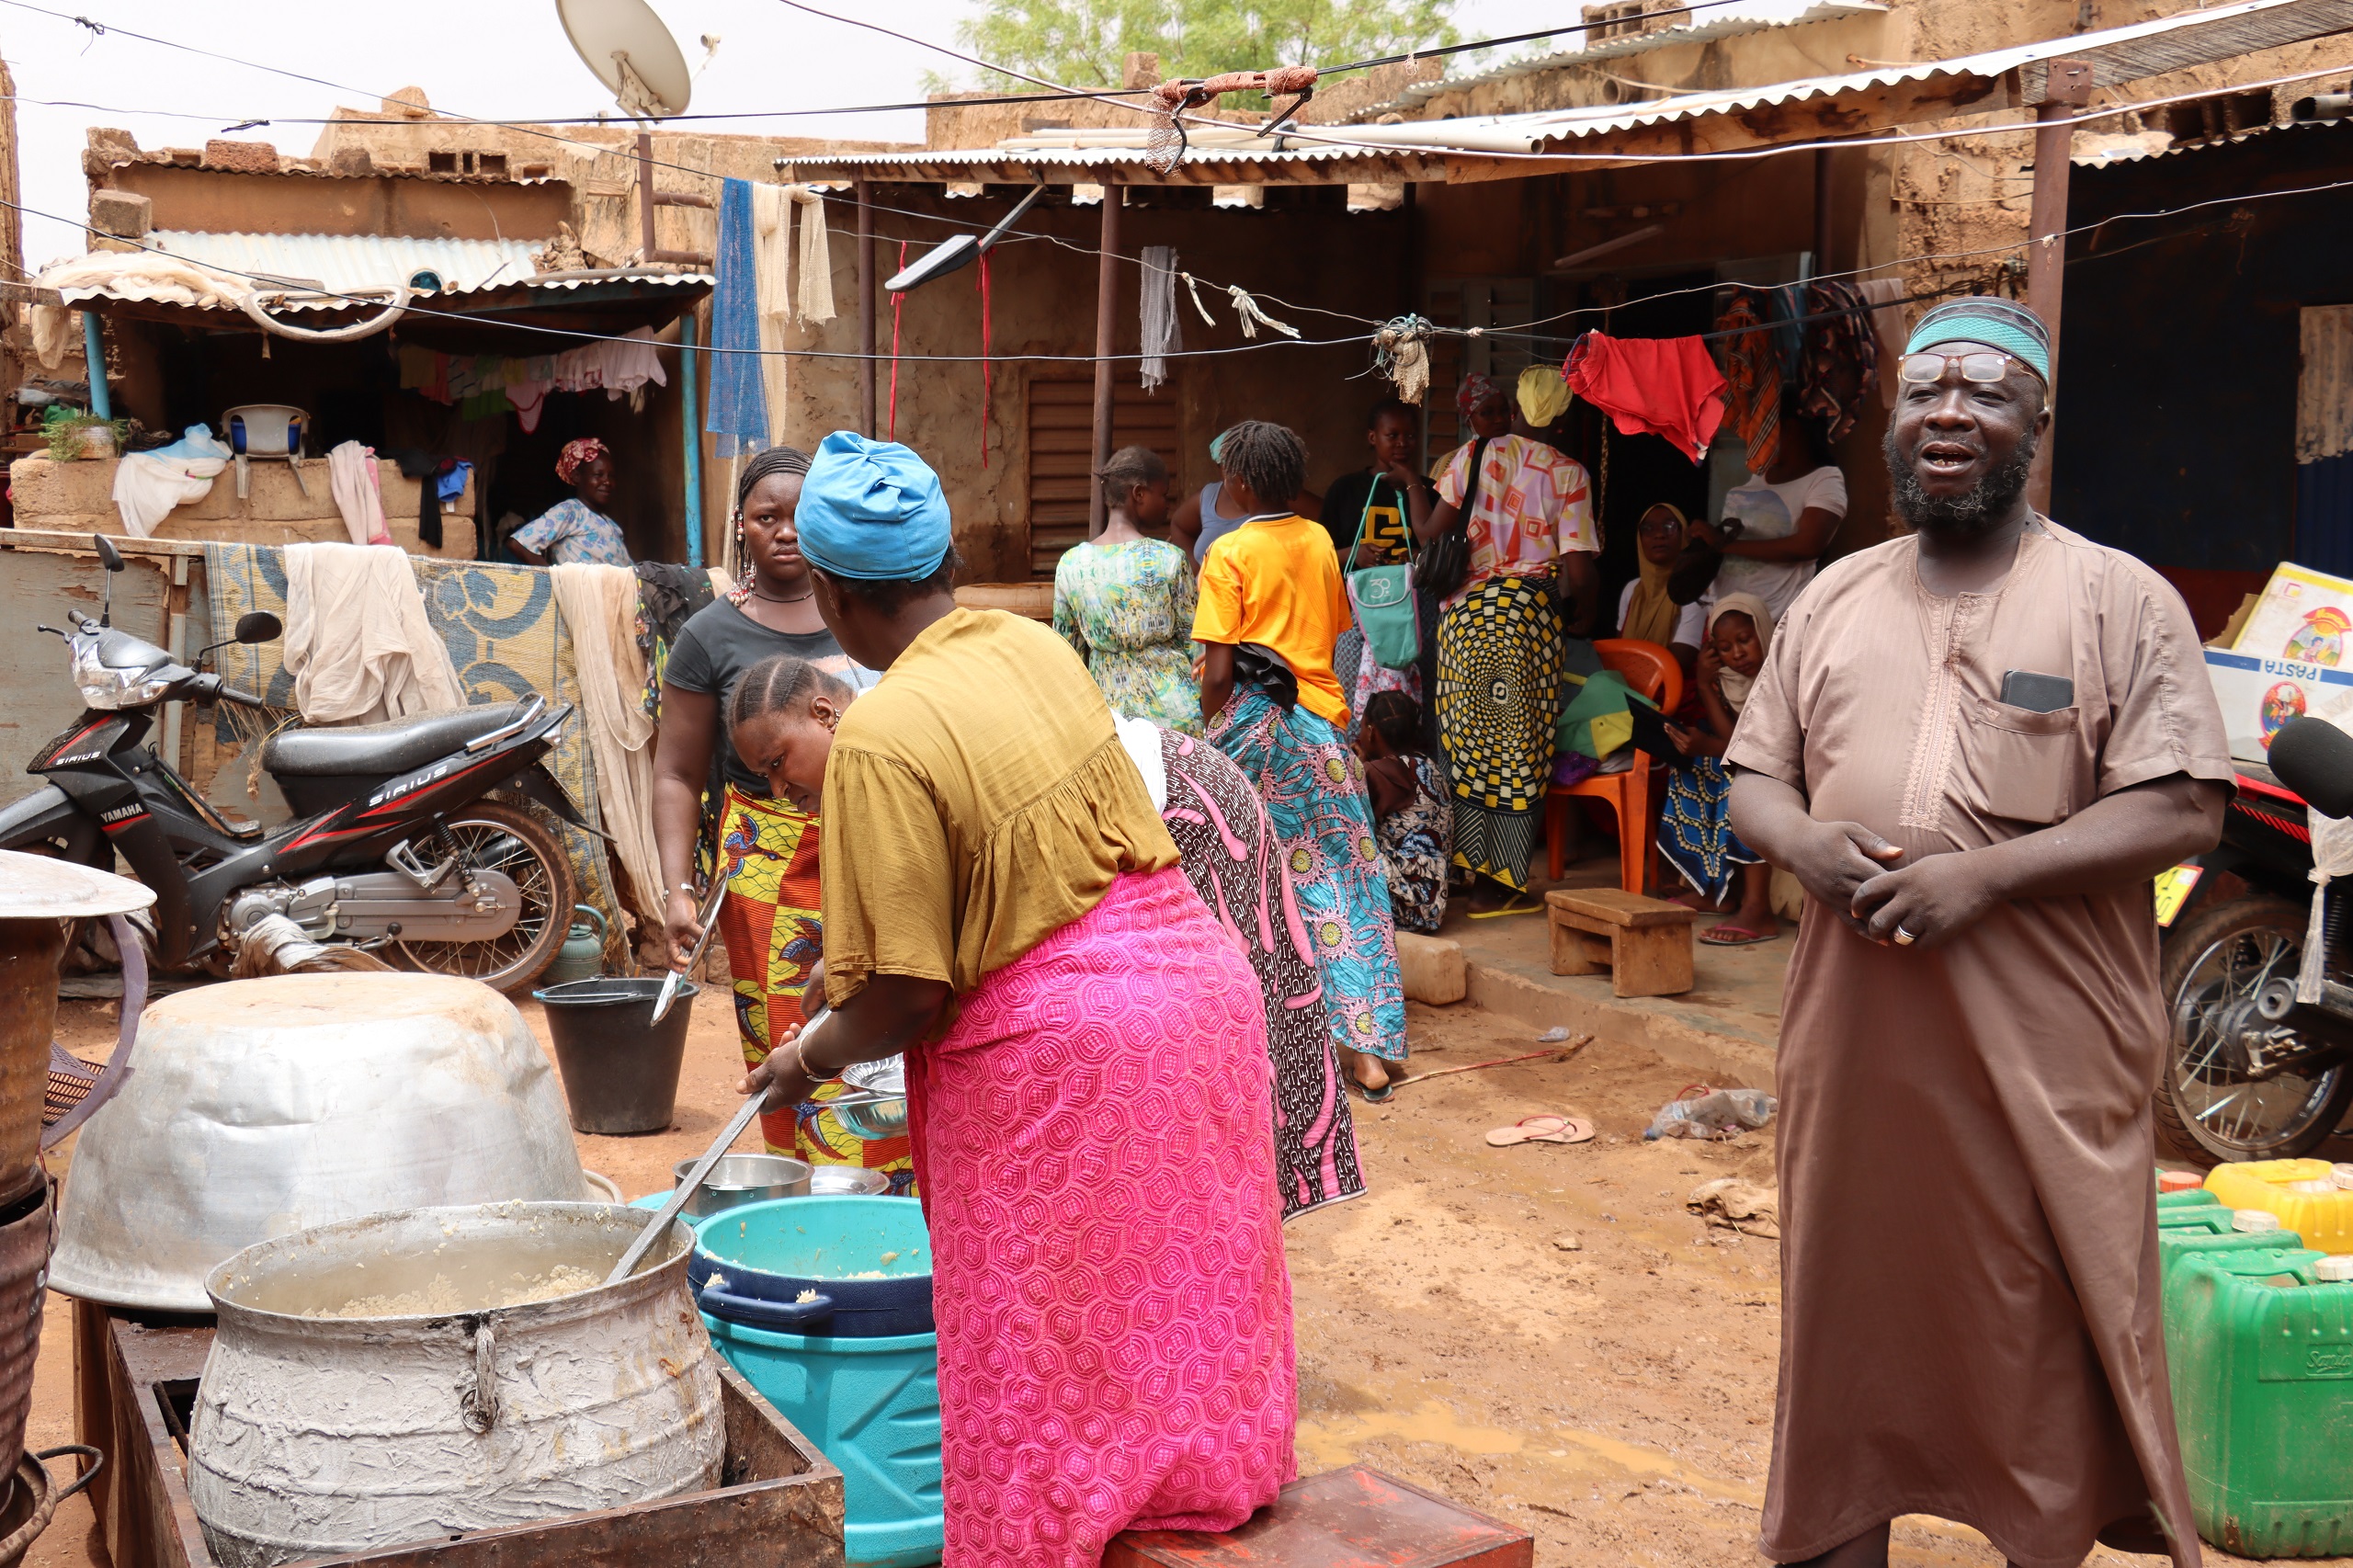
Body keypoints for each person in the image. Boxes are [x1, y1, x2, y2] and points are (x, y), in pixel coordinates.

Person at [1722, 298, 2229, 1568]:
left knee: (2034, 1329)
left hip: (2044, 1056)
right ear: (1893, 421)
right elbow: (1752, 780)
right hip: (1860, 1049)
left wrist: (1986, 880)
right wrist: (1807, 843)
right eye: (1928, 390)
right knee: (1850, 1320)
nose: (1952, 412)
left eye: (1988, 394)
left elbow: (2183, 808)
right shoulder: (1830, 599)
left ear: (2036, 426)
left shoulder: (2121, 599)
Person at [736, 431, 1295, 1567]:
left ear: (835, 593)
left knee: (1044, 1350)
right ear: (940, 554)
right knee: (1177, 1313)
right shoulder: (1033, 646)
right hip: (1197, 991)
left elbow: (899, 995)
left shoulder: (884, 733)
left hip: (1067, 1053)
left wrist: (800, 1061)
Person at [650, 447, 893, 1189]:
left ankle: (880, 1179)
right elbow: (677, 772)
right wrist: (675, 889)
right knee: (782, 1020)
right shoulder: (708, 637)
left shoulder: (862, 612)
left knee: (871, 1004)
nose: (784, 531)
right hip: (760, 864)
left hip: (869, 839)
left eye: (798, 516)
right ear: (740, 528)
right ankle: (795, 1184)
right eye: (766, 517)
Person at [1194, 420, 1410, 1099]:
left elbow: (1219, 670)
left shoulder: (1228, 554)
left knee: (1235, 884)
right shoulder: (1318, 540)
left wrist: (1213, 733)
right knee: (1346, 885)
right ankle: (1368, 1052)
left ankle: (1248, 1046)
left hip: (1255, 730)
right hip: (1321, 734)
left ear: (1242, 483)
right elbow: (1333, 634)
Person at [1415, 371, 1600, 904]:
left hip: (1466, 621)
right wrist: (1579, 608)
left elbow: (1432, 533)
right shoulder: (1569, 472)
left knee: (1465, 742)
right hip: (1527, 619)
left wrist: (1410, 483)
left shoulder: (1468, 458)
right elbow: (1581, 572)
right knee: (1519, 747)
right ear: (1564, 419)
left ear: (1516, 408)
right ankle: (1501, 883)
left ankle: (1457, 868)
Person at [1052, 446, 1200, 733]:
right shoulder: (1168, 558)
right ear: (1139, 494)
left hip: (1109, 720)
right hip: (1175, 716)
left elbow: (1068, 654)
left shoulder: (1071, 565)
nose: (1167, 504)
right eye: (1164, 494)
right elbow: (1194, 643)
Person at [1659, 595, 1776, 945]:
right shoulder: (1728, 681)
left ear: (1764, 632)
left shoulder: (1782, 676)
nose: (1737, 654)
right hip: (1748, 756)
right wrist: (1706, 685)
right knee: (1691, 770)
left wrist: (1709, 747)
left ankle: (1758, 908)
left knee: (1740, 783)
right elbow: (1732, 739)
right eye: (1724, 647)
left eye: (1745, 640)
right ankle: (1714, 890)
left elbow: (1761, 751)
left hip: (1784, 770)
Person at [1695, 402, 1847, 623]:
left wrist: (1722, 544)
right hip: (1726, 618)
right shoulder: (1749, 483)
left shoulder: (1825, 479)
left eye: (1760, 430)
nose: (1753, 438)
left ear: (1791, 429)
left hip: (1774, 619)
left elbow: (1808, 546)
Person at [1355, 691, 1450, 935]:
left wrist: (1359, 767)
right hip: (1432, 904)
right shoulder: (1430, 767)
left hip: (1402, 909)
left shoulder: (1377, 772)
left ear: (1371, 731)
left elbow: (1354, 823)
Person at [1171, 424, 1321, 564]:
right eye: (1226, 466)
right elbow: (1180, 525)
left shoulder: (1225, 550)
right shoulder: (1208, 499)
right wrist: (1192, 573)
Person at [509, 437, 631, 565]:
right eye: (598, 475)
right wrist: (553, 579)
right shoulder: (570, 512)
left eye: (611, 476)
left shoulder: (613, 526)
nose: (607, 482)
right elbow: (519, 544)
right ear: (577, 476)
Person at [1618, 503, 1707, 669]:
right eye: (1648, 528)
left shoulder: (1694, 589)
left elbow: (1680, 658)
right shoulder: (1633, 589)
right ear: (1640, 539)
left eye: (1669, 527)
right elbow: (1618, 645)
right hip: (1629, 682)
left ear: (1684, 536)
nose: (1659, 534)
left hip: (1671, 688)